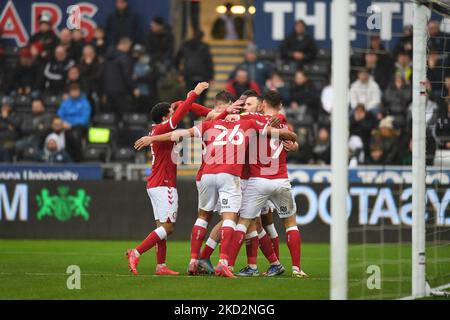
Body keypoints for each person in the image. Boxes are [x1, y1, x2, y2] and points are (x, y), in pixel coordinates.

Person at [126, 82, 210, 276]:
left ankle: (161, 266)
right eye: (171, 112)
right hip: (164, 183)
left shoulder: (156, 131)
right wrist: (194, 94)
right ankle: (136, 252)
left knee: (161, 227)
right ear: (165, 117)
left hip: (155, 183)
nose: (175, 114)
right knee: (169, 227)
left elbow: (177, 111)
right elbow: (179, 114)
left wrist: (182, 101)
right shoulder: (161, 129)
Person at [226, 91, 307, 278]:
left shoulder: (254, 120)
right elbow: (292, 138)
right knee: (290, 223)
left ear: (262, 105)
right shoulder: (283, 123)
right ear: (280, 106)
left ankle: (228, 265)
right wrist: (293, 143)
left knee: (244, 222)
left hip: (258, 181)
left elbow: (236, 118)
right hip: (281, 180)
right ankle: (296, 268)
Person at [175, 31, 214, 105]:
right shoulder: (205, 47)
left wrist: (179, 74)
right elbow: (209, 62)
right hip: (203, 76)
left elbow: (176, 60)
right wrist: (211, 77)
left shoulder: (185, 45)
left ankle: (193, 115)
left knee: (190, 98)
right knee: (202, 98)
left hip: (188, 75)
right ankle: (198, 114)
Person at [102, 37, 136, 115]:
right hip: (121, 90)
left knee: (109, 115)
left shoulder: (107, 57)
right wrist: (133, 87)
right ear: (125, 45)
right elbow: (126, 75)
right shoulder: (124, 58)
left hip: (107, 89)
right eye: (129, 47)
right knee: (123, 114)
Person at [0, 97, 20, 162]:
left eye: (6, 105)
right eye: (3, 105)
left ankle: (6, 169)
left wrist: (7, 117)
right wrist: (7, 126)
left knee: (6, 148)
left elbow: (17, 126)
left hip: (10, 141)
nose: (4, 107)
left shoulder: (16, 115)